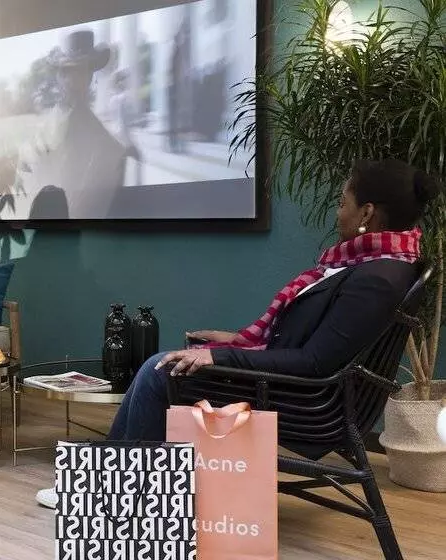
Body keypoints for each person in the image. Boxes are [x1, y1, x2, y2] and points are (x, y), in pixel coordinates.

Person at [35, 158, 439, 508]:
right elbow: (315, 343)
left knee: (159, 371)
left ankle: (110, 489)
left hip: (309, 403)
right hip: (302, 388)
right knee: (166, 366)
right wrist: (236, 341)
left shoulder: (376, 279)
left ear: (367, 212)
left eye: (342, 203)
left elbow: (316, 362)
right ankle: (107, 477)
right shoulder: (376, 264)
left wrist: (220, 356)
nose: (338, 212)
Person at [0, 29, 128, 221]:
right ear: (59, 76)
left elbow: (91, 207)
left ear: (89, 76)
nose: (72, 79)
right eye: (66, 71)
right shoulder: (43, 126)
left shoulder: (107, 147)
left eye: (79, 71)